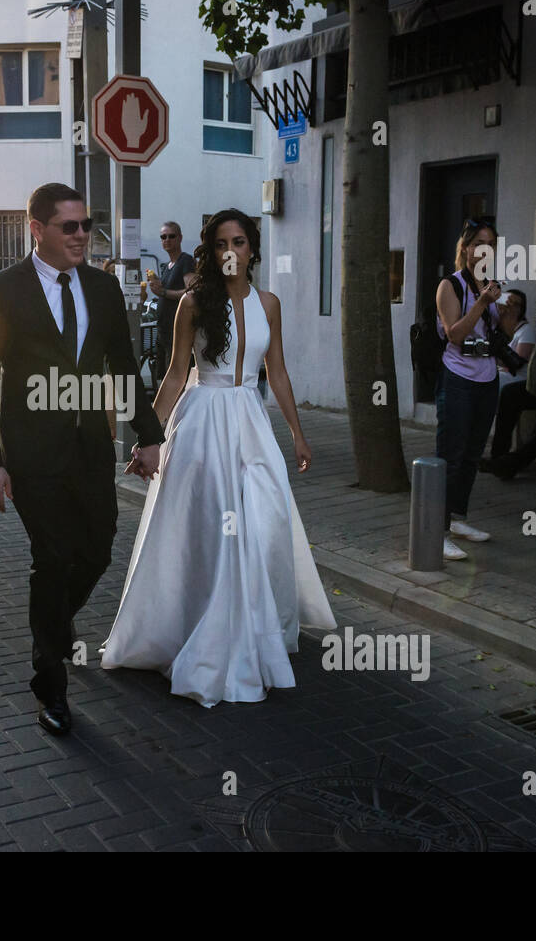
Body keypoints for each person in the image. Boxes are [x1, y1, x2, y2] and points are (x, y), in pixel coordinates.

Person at [100, 209, 335, 707]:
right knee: (211, 530)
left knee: (264, 523)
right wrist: (148, 438)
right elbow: (172, 376)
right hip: (202, 421)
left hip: (251, 422)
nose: (233, 251)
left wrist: (297, 433)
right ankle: (204, 627)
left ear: (253, 249)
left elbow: (279, 373)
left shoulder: (269, 303)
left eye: (242, 242)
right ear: (212, 250)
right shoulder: (192, 302)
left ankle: (252, 623)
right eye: (224, 243)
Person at [0, 182, 163, 737]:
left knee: (98, 549)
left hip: (89, 450)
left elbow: (124, 369)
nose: (82, 236)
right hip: (31, 456)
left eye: (86, 225)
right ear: (37, 229)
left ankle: (51, 624)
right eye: (69, 227)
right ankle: (49, 680)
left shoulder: (101, 290)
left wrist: (147, 437)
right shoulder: (3, 292)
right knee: (52, 560)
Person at [434, 217, 504, 561]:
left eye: (491, 243)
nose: (485, 250)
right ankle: (437, 529)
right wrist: (481, 302)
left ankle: (458, 519)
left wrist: (495, 303)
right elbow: (455, 335)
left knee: (473, 453)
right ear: (466, 248)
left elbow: (493, 334)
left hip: (487, 377)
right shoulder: (452, 285)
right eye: (479, 243)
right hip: (458, 376)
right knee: (452, 454)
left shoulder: (489, 285)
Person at [482, 288, 536, 479]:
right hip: (509, 383)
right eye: (506, 302)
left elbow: (517, 363)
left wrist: (494, 355)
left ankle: (498, 456)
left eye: (514, 304)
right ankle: (496, 456)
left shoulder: (526, 331)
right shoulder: (501, 329)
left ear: (521, 309)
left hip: (526, 384)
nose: (509, 307)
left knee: (499, 391)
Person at [147, 221, 194, 384]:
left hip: (177, 329)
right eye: (163, 237)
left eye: (171, 236)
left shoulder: (185, 261)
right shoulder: (167, 266)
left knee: (175, 377)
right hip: (163, 329)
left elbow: (191, 292)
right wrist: (158, 285)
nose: (167, 240)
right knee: (163, 376)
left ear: (180, 238)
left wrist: (163, 292)